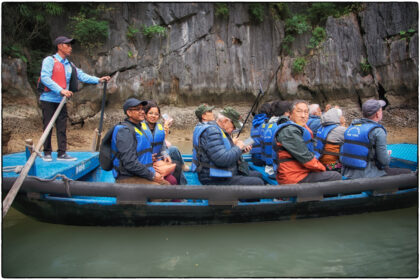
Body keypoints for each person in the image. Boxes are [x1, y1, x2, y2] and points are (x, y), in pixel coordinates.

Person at [39, 36, 111, 162]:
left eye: (70, 45)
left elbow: (81, 76)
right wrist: (60, 90)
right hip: (48, 99)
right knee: (48, 126)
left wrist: (98, 80)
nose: (70, 48)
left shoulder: (69, 65)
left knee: (62, 127)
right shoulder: (49, 61)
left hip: (61, 101)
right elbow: (45, 77)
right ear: (60, 46)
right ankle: (47, 152)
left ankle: (62, 153)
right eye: (68, 45)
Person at [273, 100, 342, 184]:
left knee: (332, 169)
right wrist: (323, 169)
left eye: (306, 112)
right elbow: (305, 158)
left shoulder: (297, 128)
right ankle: (318, 197)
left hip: (301, 171)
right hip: (294, 177)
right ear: (290, 114)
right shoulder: (289, 131)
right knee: (335, 176)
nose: (303, 116)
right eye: (299, 112)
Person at [192, 107, 264, 185]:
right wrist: (238, 147)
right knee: (257, 183)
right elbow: (222, 159)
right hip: (213, 178)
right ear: (225, 121)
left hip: (221, 173)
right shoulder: (212, 132)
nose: (234, 129)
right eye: (233, 126)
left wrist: (240, 150)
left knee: (258, 175)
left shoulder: (217, 129)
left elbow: (220, 153)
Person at [341, 99, 412, 179]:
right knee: (408, 173)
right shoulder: (378, 131)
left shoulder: (351, 127)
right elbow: (384, 162)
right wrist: (387, 155)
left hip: (347, 173)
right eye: (381, 110)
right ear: (377, 114)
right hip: (368, 174)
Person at [111, 98, 169, 185]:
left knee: (167, 183)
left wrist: (150, 157)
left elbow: (140, 152)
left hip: (141, 172)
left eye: (142, 109)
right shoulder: (124, 131)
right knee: (164, 188)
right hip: (128, 176)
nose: (142, 111)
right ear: (129, 113)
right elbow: (129, 162)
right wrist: (152, 176)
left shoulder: (138, 128)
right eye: (138, 109)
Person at [143, 101, 179, 185]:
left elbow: (162, 145)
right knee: (167, 180)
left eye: (156, 114)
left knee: (175, 172)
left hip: (158, 161)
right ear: (145, 115)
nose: (153, 116)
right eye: (150, 113)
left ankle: (179, 195)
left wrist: (166, 155)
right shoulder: (139, 129)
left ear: (159, 116)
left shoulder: (160, 128)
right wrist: (148, 157)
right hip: (145, 163)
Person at [262, 101, 290, 178]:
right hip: (276, 170)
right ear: (286, 113)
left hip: (268, 166)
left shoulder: (269, 124)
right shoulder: (281, 126)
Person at [315, 108, 347, 172]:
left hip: (320, 163)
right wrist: (343, 124)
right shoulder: (340, 130)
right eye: (341, 116)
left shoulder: (321, 128)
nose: (343, 118)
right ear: (337, 117)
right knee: (349, 165)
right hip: (332, 165)